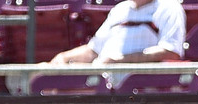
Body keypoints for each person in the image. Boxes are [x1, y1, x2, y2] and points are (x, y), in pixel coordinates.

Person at [49, 0, 186, 66]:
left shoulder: (170, 7)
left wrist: (120, 60)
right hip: (104, 82)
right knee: (40, 72)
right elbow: (93, 50)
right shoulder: (120, 9)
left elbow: (171, 51)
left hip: (143, 89)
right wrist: (64, 57)